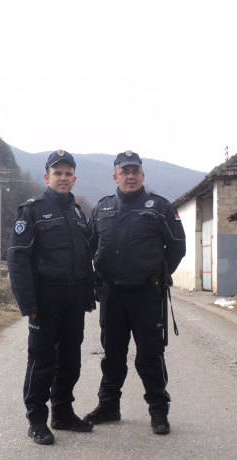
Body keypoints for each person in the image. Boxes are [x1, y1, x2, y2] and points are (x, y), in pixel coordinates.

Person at [85, 150, 186, 434]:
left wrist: (159, 276)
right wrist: (94, 280)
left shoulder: (159, 207)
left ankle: (158, 411)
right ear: (115, 176)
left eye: (135, 171)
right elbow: (89, 247)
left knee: (150, 355)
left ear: (142, 175)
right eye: (124, 171)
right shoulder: (102, 208)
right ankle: (109, 406)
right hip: (112, 296)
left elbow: (177, 247)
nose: (130, 176)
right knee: (112, 355)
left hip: (146, 295)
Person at [8, 149, 96, 445]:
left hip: (73, 298)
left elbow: (85, 257)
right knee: (42, 360)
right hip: (45, 299)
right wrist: (27, 302)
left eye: (67, 173)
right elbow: (18, 258)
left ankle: (62, 413)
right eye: (57, 173)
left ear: (74, 178)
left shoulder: (77, 212)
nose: (62, 177)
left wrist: (88, 296)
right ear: (47, 177)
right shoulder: (32, 211)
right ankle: (36, 421)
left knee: (70, 360)